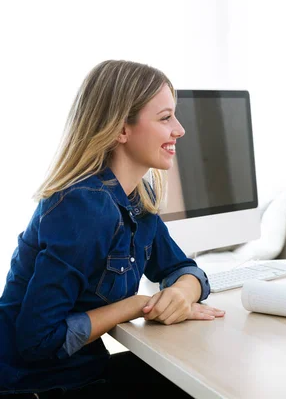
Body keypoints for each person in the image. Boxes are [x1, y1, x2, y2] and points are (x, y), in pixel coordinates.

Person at [0, 60, 225, 398]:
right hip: (33, 385)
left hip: (83, 371)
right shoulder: (83, 207)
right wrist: (137, 305)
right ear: (121, 130)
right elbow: (37, 340)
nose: (179, 129)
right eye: (165, 118)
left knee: (207, 378)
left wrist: (181, 293)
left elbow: (181, 268)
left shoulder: (139, 197)